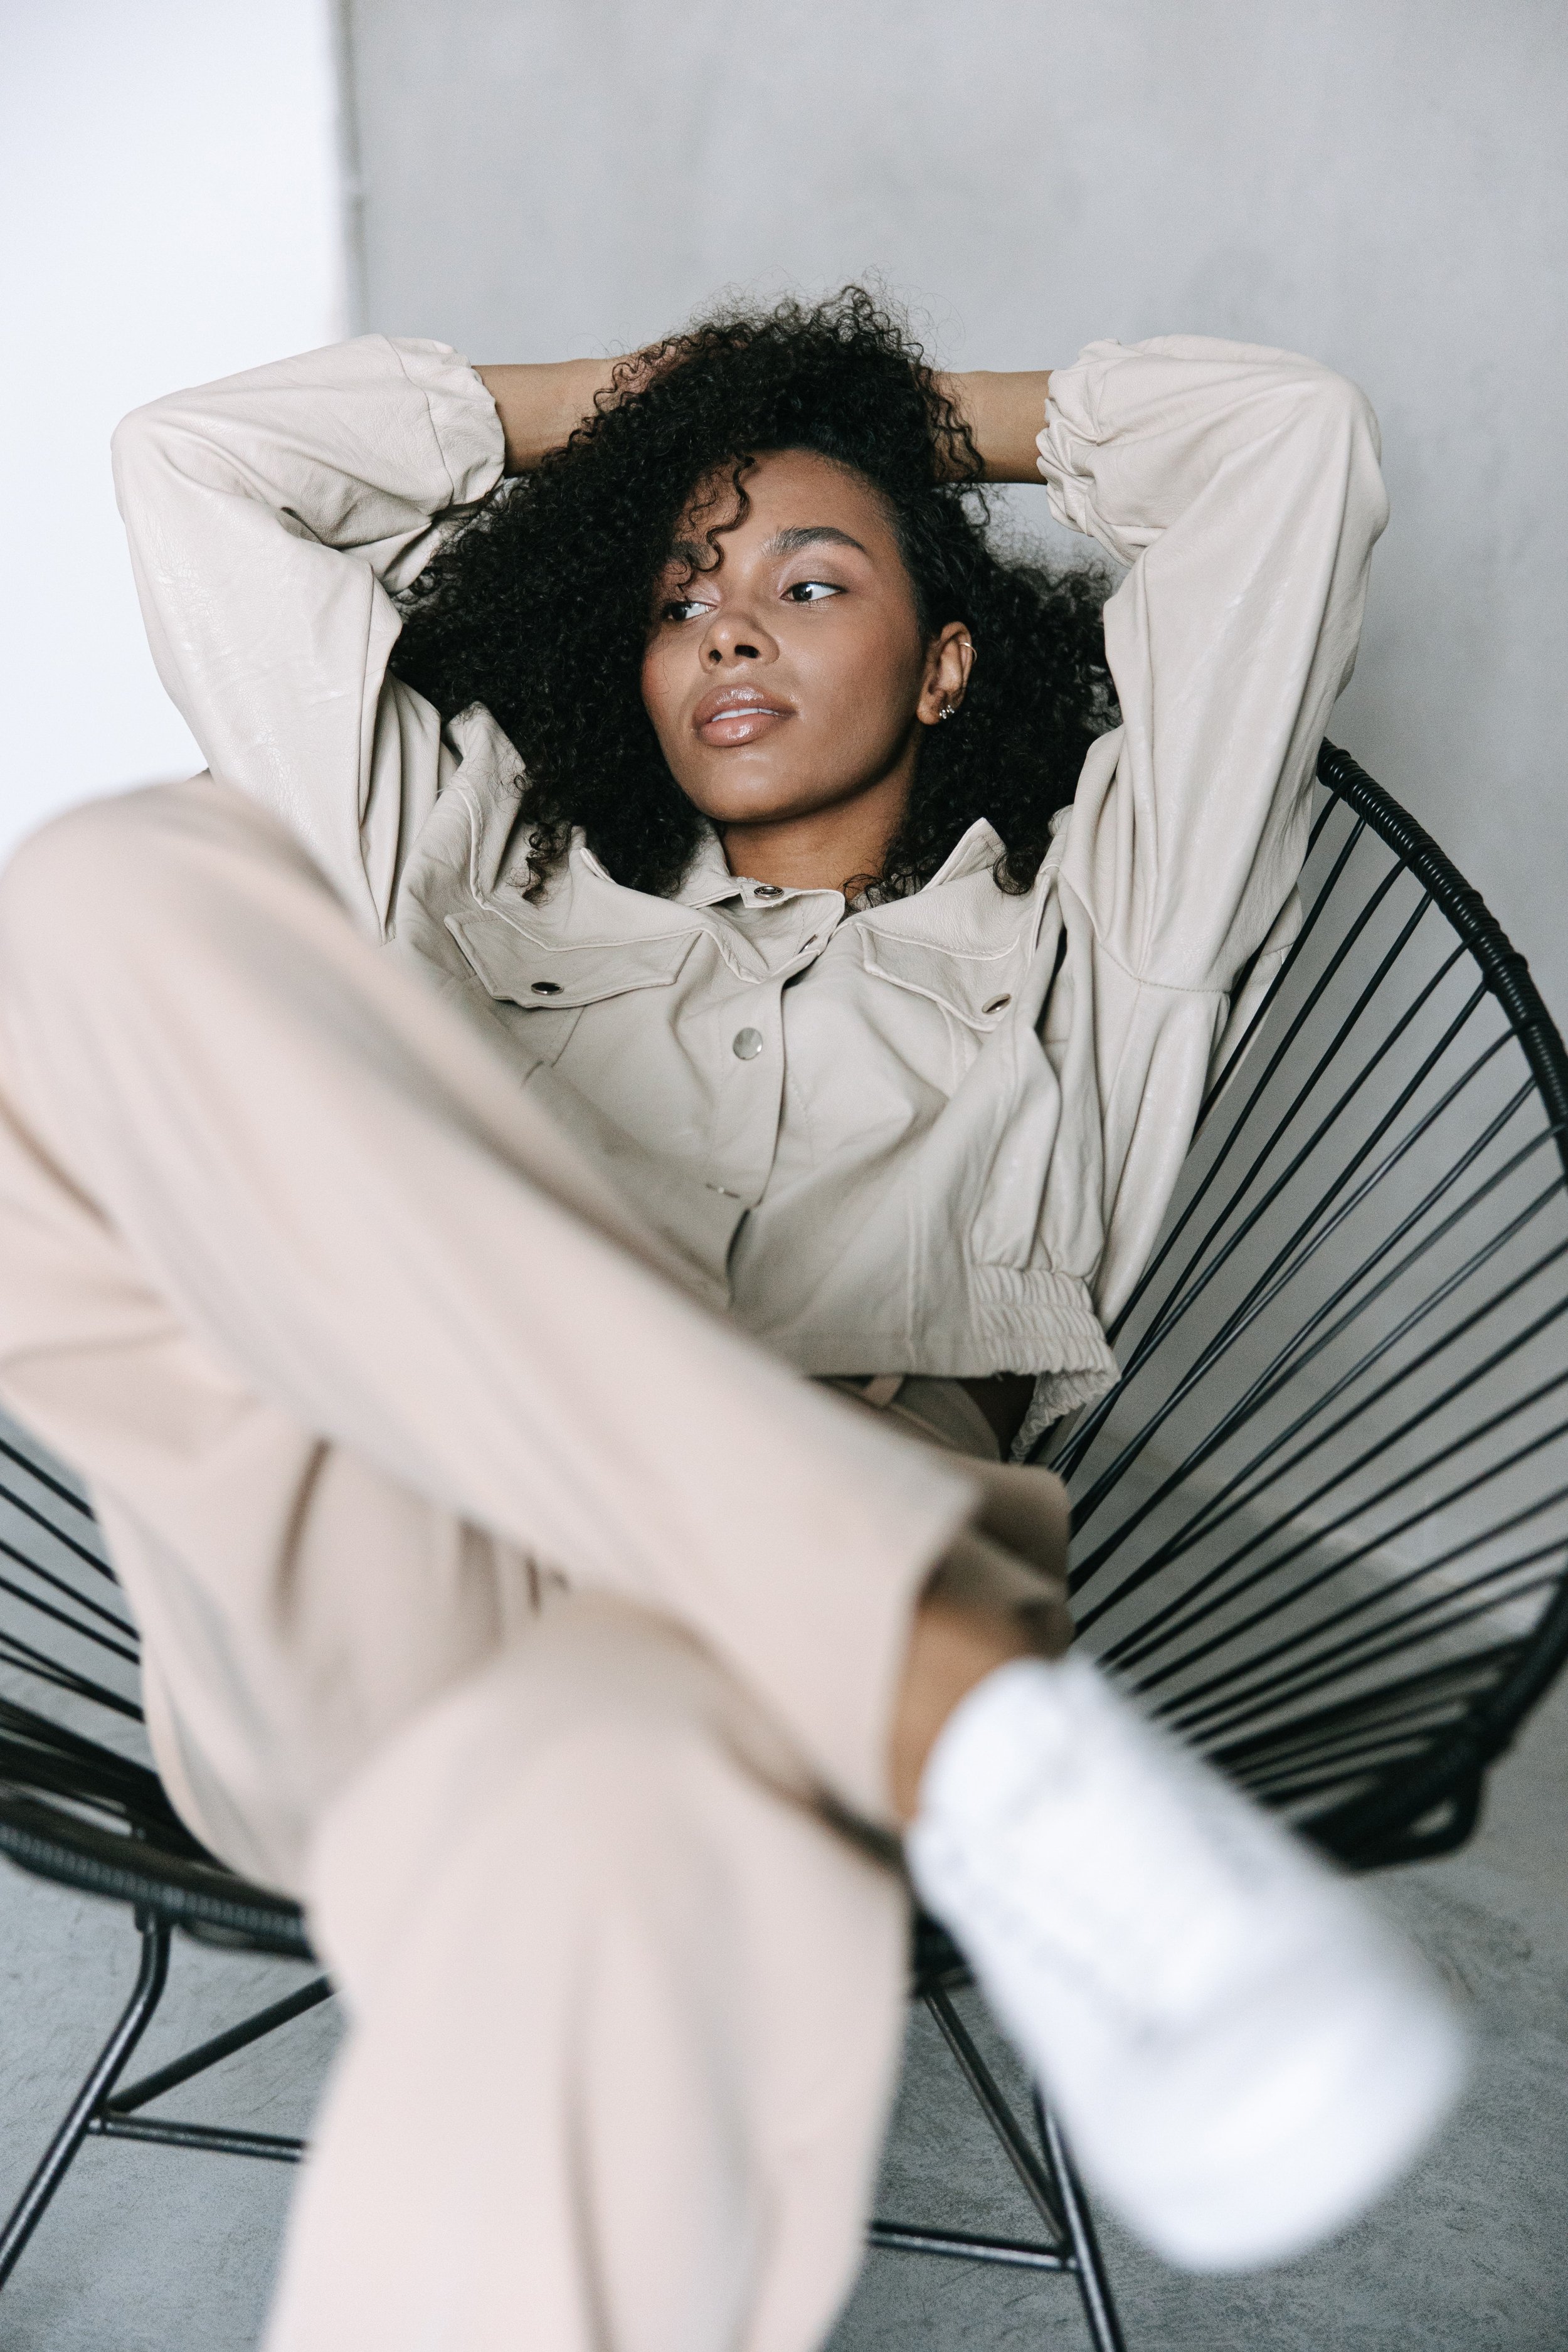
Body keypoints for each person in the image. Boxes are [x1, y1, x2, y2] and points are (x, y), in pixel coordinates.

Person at [0, 289, 1461, 2351]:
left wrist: (854, 414)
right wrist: (699, 414)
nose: (735, 624)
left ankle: (898, 1684)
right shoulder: (466, 872)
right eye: (684, 587)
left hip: (677, 1707)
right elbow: (195, 466)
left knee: (591, 1832)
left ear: (950, 660)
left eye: (812, 574)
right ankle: (955, 1710)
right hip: (389, 1581)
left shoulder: (1090, 940)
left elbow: (1285, 443)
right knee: (103, 888)